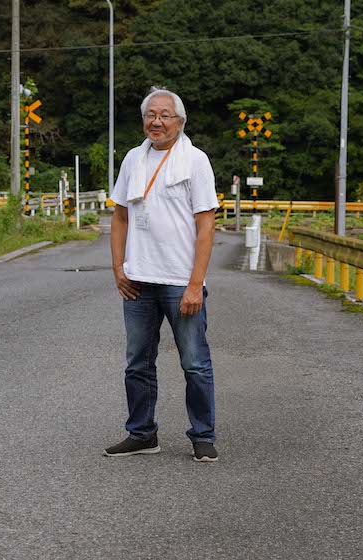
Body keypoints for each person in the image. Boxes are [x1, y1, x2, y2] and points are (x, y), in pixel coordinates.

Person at [105, 86, 220, 462]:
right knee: (137, 362)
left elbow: (206, 226)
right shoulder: (133, 160)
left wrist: (195, 284)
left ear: (180, 121)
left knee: (194, 362)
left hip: (179, 281)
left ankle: (203, 435)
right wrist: (119, 267)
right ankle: (141, 434)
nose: (156, 121)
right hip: (139, 280)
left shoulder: (195, 161)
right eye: (151, 115)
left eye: (165, 115)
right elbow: (120, 216)